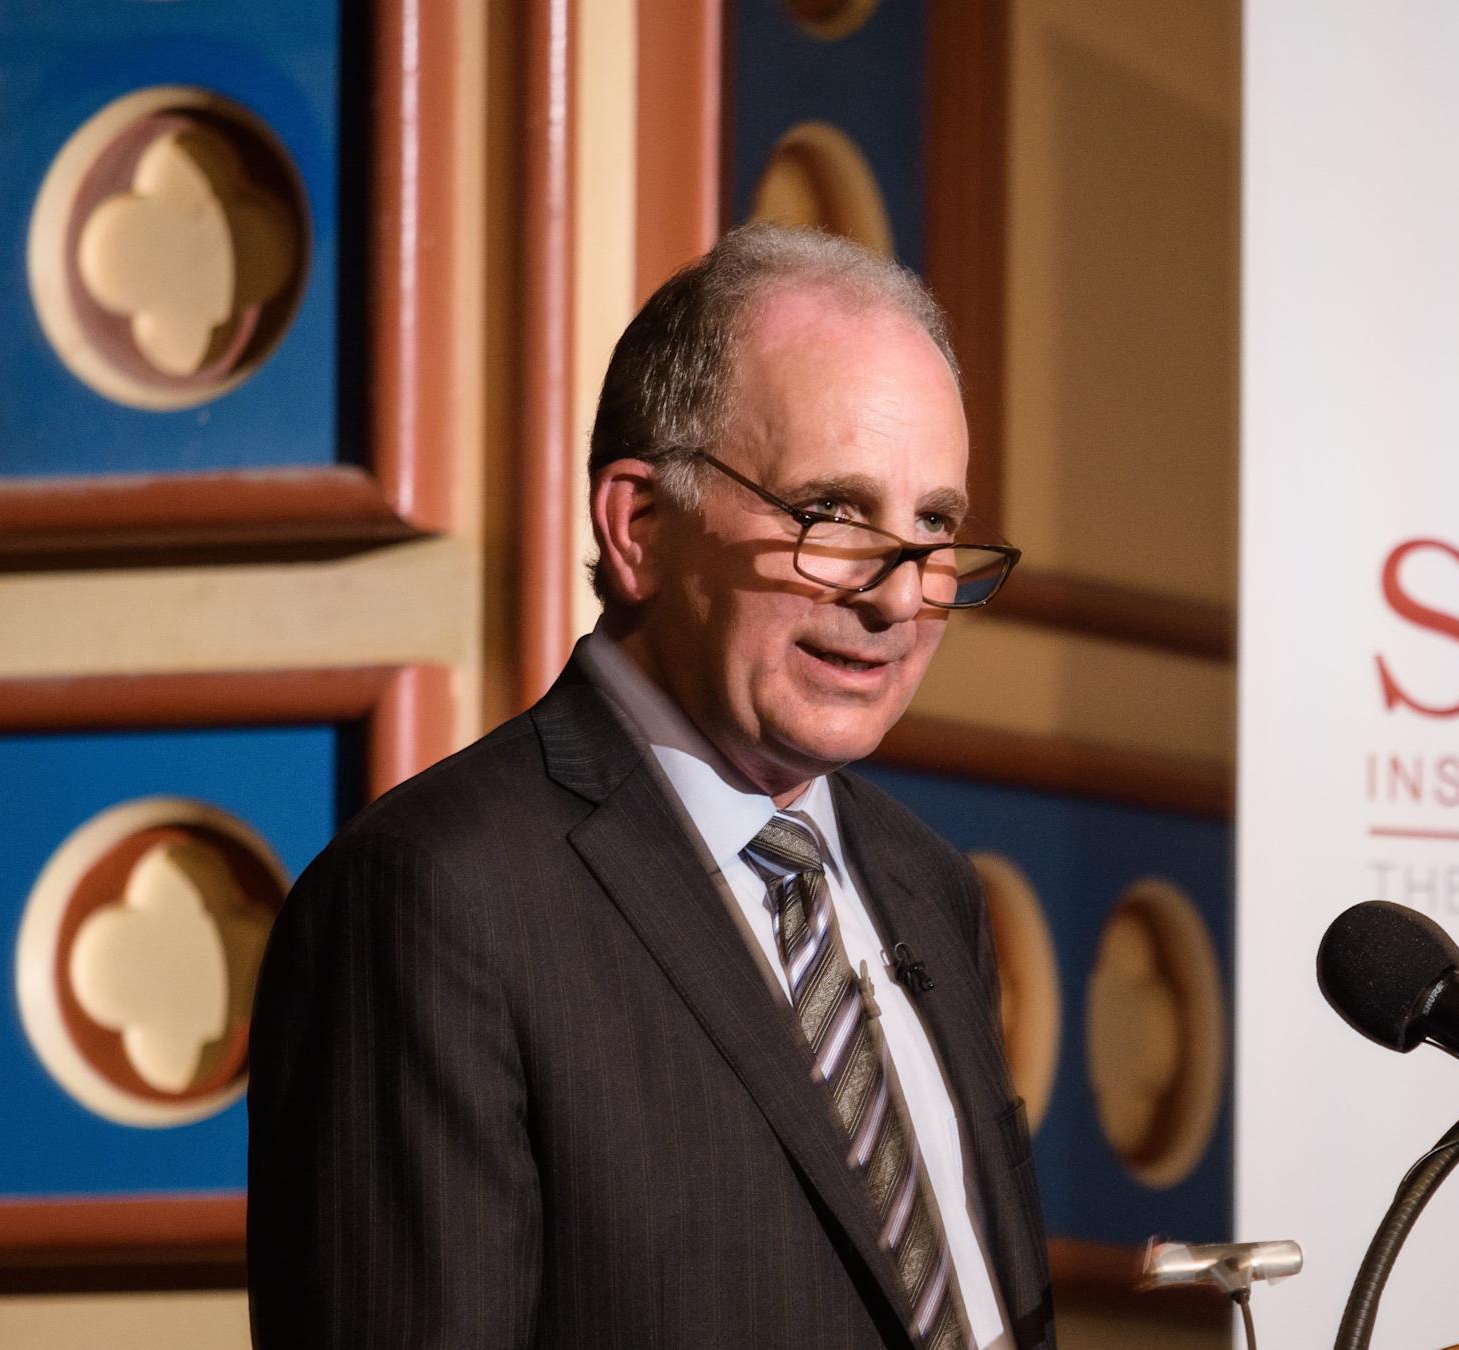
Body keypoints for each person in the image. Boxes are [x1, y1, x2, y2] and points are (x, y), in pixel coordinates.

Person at [248, 223, 1054, 1349]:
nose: (898, 597)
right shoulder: (435, 899)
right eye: (833, 514)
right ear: (637, 526)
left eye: (933, 526)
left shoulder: (928, 888)